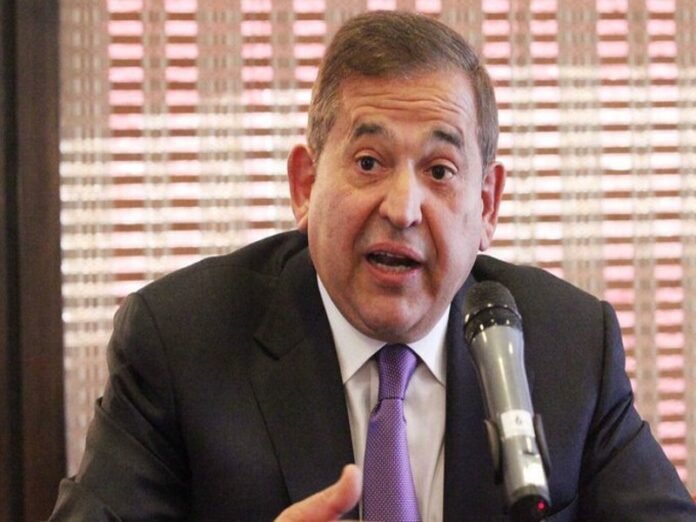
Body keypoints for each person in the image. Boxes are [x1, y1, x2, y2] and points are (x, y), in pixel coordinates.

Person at [50, 10, 695, 521]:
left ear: (487, 205)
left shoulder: (569, 346)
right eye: (368, 163)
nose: (403, 208)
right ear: (305, 185)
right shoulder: (180, 342)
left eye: (439, 171)